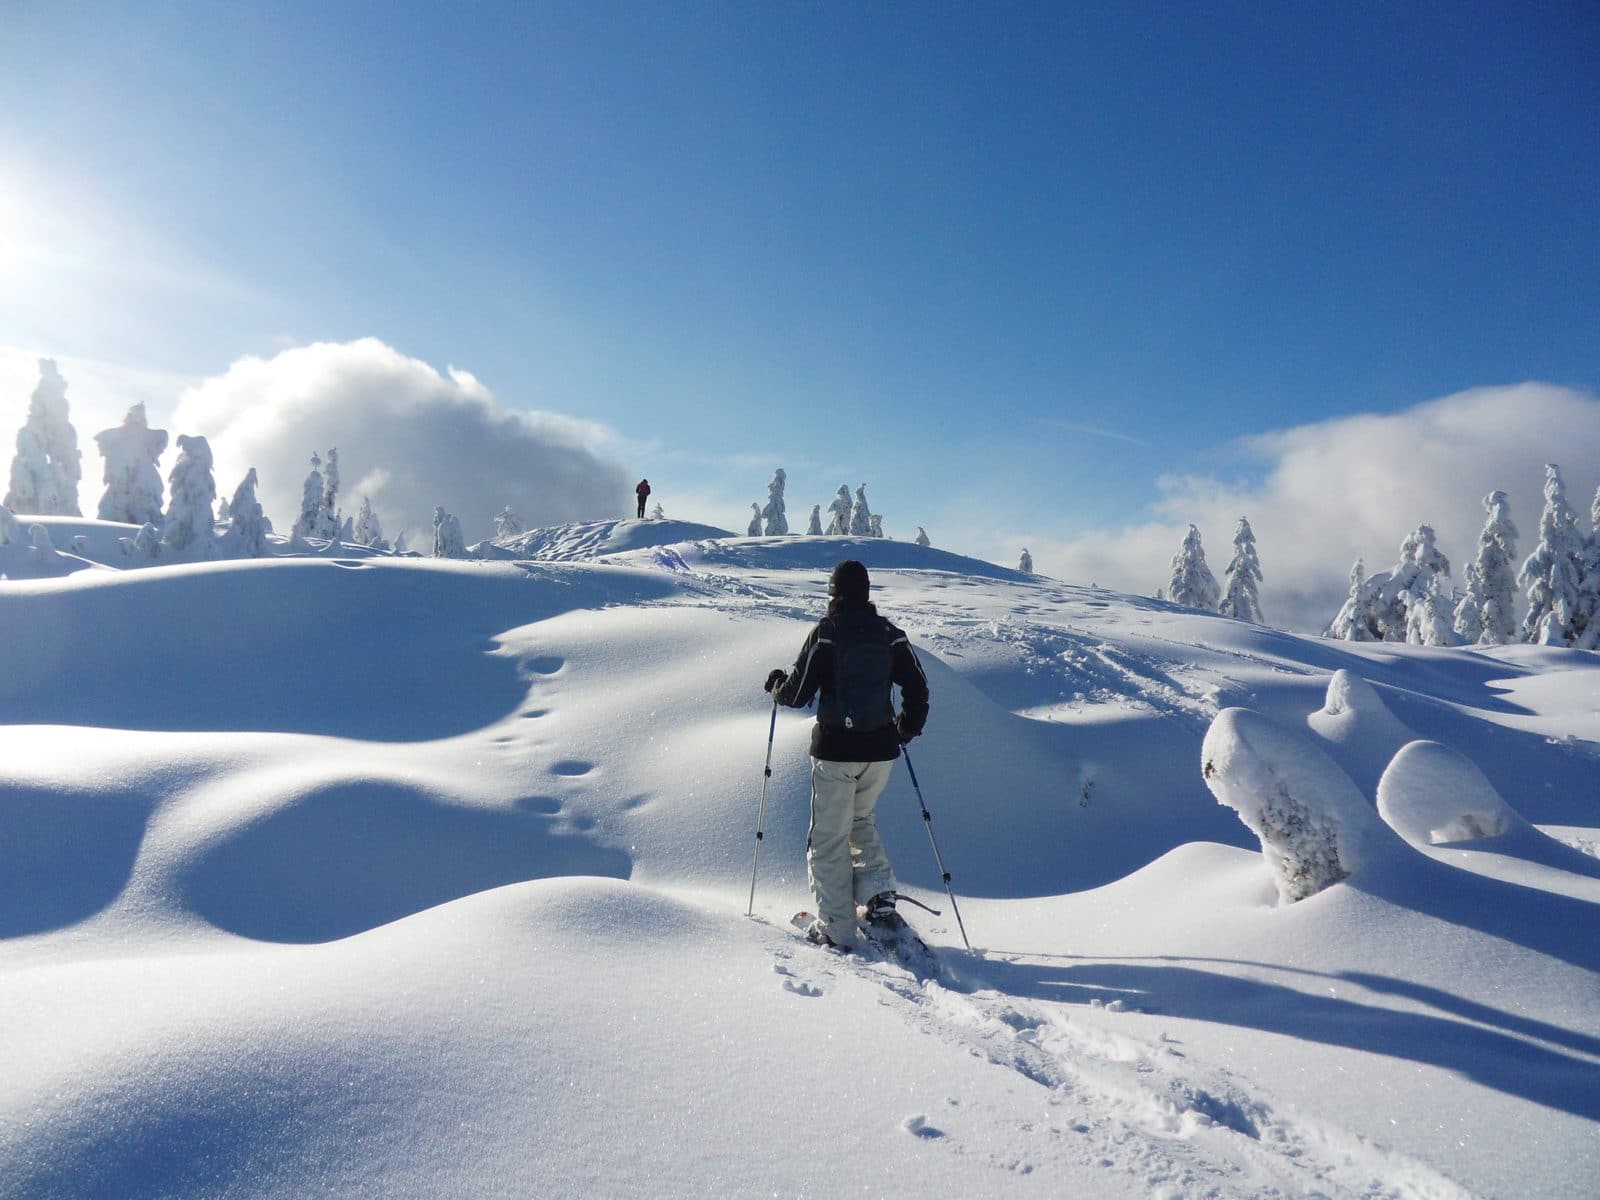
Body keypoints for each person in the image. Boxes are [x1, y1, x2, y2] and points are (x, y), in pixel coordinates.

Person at [763, 559, 930, 950]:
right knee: (860, 820)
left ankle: (837, 927)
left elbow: (797, 693)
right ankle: (876, 899)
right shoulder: (891, 634)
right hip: (881, 752)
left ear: (834, 594)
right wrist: (902, 731)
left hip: (836, 752)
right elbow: (919, 690)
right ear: (867, 594)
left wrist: (775, 685)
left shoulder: (827, 633)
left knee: (828, 838)